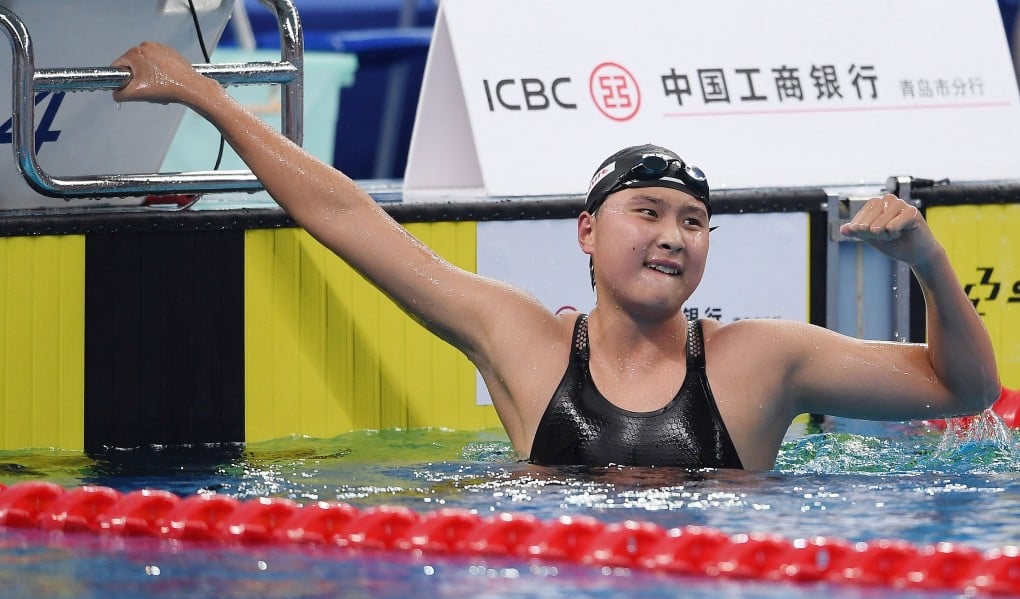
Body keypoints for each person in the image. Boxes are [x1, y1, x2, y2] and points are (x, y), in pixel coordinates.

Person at [111, 42, 1001, 472]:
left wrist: (924, 258)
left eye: (694, 222)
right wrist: (205, 94)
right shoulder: (522, 342)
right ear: (586, 230)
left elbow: (960, 391)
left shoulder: (762, 359)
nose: (672, 236)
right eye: (646, 211)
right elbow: (347, 216)